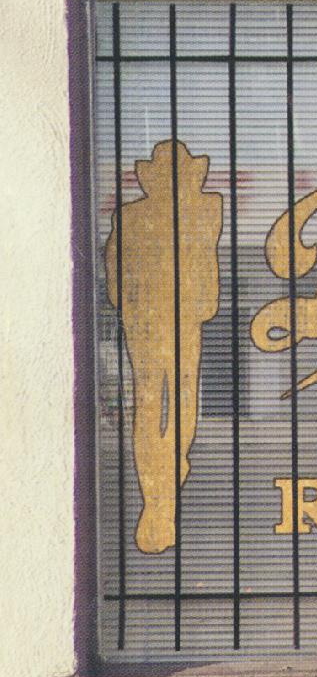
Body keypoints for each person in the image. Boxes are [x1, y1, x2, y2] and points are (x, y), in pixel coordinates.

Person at [105, 139, 223, 554]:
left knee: (161, 403)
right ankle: (160, 496)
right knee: (169, 402)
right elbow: (119, 272)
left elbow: (116, 280)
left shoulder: (192, 211)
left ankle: (160, 492)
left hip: (161, 321)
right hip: (169, 322)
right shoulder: (198, 212)